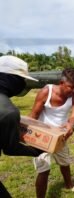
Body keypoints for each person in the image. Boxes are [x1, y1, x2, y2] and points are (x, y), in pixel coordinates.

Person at [29, 68, 74, 198]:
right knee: (44, 170)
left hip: (61, 135)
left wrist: (71, 124)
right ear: (61, 83)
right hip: (41, 135)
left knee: (65, 162)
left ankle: (69, 184)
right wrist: (29, 134)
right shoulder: (46, 92)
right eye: (71, 87)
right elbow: (34, 115)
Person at [0, 55, 43, 197]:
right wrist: (37, 150)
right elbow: (10, 148)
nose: (23, 84)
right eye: (21, 79)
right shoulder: (8, 111)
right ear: (10, 79)